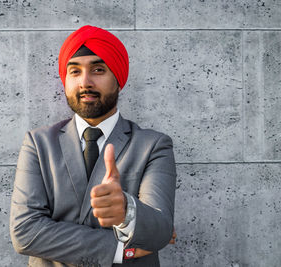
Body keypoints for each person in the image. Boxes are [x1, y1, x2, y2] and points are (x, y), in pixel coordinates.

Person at [10, 25, 176, 267]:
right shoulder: (38, 143)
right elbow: (25, 232)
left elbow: (160, 230)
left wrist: (126, 211)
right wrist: (119, 249)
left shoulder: (153, 145)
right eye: (75, 72)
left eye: (98, 70)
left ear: (118, 78)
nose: (85, 82)